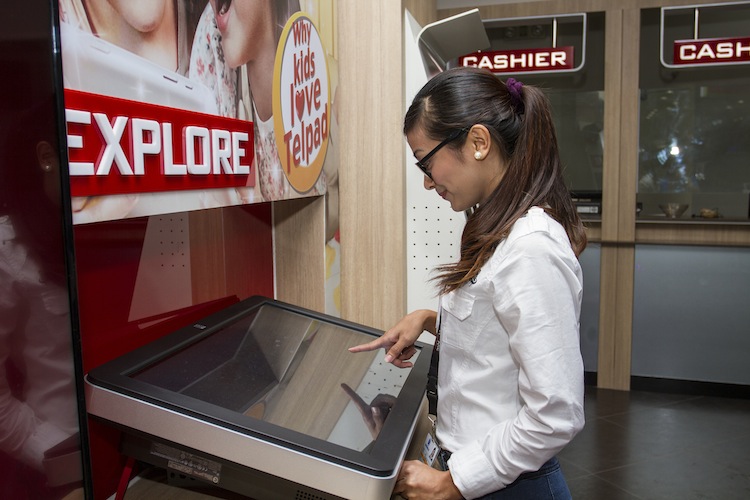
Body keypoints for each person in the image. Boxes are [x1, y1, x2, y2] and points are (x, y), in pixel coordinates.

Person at [349, 66, 587, 500]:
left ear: (478, 143)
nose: (426, 180)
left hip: (508, 487)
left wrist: (454, 483)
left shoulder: (531, 246)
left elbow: (556, 413)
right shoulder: (496, 223)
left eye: (426, 160)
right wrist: (428, 319)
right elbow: (501, 336)